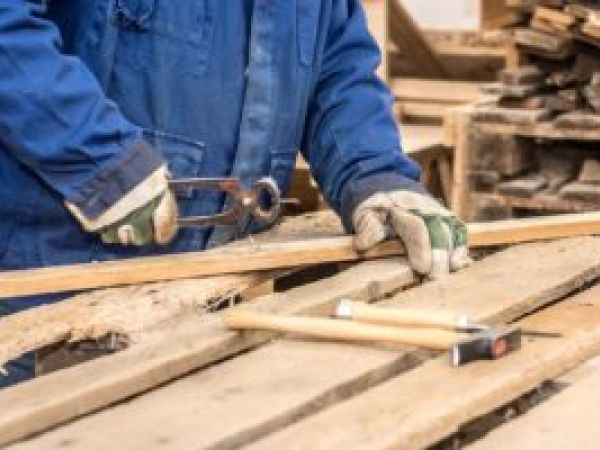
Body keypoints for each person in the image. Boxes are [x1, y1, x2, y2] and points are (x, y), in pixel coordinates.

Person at [0, 1, 471, 386]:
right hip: (50, 292)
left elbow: (337, 63)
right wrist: (98, 159)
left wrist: (375, 174)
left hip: (214, 299)